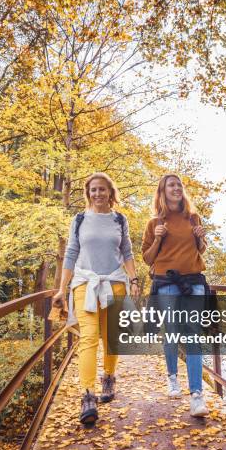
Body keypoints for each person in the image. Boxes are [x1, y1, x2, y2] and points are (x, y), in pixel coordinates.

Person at [53, 172, 139, 427]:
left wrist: (134, 280)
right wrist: (61, 288)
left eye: (102, 189)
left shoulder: (119, 220)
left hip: (114, 283)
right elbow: (71, 253)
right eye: (93, 190)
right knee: (89, 338)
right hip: (85, 283)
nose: (98, 194)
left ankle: (109, 377)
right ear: (88, 193)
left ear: (110, 192)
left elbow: (127, 252)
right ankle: (88, 396)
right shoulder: (79, 220)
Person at [142, 174, 209, 417]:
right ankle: (172, 377)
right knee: (171, 332)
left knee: (193, 335)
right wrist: (158, 237)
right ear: (162, 191)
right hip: (166, 283)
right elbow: (148, 259)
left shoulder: (193, 218)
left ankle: (197, 396)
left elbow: (201, 250)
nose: (176, 188)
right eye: (171, 185)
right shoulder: (154, 223)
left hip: (194, 282)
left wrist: (201, 238)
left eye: (179, 185)